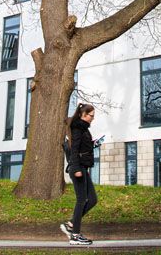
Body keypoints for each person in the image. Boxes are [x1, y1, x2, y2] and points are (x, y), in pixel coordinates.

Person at [59, 102, 98, 246]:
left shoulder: (83, 128)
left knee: (92, 199)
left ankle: (70, 225)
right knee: (81, 200)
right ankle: (74, 235)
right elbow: (74, 149)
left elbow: (81, 146)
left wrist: (92, 144)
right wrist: (75, 169)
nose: (93, 118)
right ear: (83, 114)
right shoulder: (77, 128)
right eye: (91, 116)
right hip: (78, 168)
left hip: (82, 167)